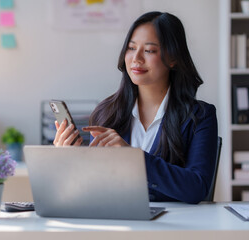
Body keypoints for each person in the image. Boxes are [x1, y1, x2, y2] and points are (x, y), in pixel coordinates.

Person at [53, 11, 218, 204]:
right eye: (131, 48)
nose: (136, 59)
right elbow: (95, 188)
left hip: (171, 228)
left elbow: (196, 188)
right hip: (116, 225)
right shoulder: (106, 113)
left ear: (173, 58)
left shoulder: (200, 116)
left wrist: (133, 158)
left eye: (149, 50)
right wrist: (66, 160)